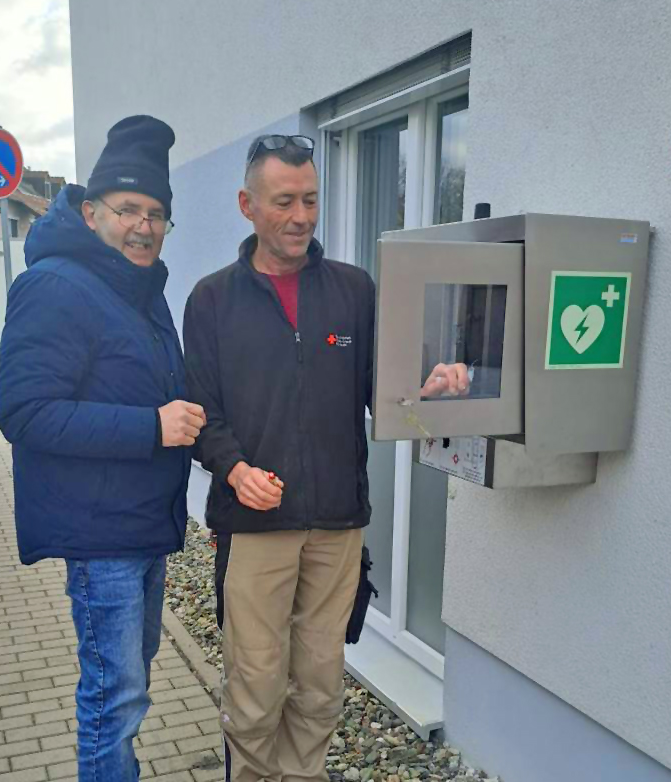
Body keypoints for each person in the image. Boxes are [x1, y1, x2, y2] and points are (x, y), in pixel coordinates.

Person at [183, 135, 468, 782]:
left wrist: (424, 388)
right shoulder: (212, 300)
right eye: (284, 201)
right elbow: (200, 413)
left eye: (310, 199)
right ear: (247, 205)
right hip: (254, 527)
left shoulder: (353, 291)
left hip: (337, 523)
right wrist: (233, 469)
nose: (301, 216)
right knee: (255, 691)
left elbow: (381, 387)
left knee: (319, 686)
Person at [0, 116, 206, 781]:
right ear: (90, 213)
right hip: (102, 535)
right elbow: (24, 412)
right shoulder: (55, 285)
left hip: (140, 528)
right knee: (113, 700)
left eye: (156, 214)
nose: (143, 226)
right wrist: (151, 426)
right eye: (127, 210)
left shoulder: (140, 292)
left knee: (129, 686)